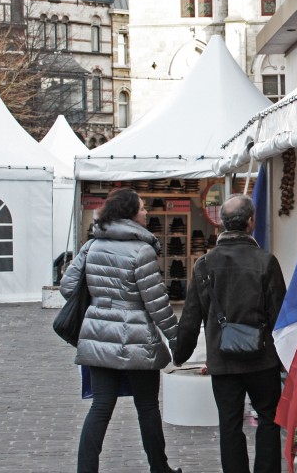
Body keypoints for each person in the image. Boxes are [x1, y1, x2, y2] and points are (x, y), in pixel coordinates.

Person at [59, 188, 181, 473]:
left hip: (98, 335)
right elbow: (156, 301)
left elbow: (67, 287)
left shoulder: (91, 246)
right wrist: (175, 338)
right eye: (142, 207)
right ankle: (159, 469)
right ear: (130, 213)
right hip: (137, 337)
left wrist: (101, 301)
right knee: (148, 407)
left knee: (100, 407)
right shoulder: (142, 250)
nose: (147, 211)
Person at [172, 193, 287, 473]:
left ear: (222, 224)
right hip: (262, 359)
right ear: (251, 222)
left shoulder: (204, 264)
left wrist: (180, 355)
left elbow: (190, 318)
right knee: (269, 419)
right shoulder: (266, 261)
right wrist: (286, 357)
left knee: (230, 423)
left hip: (222, 360)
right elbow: (279, 314)